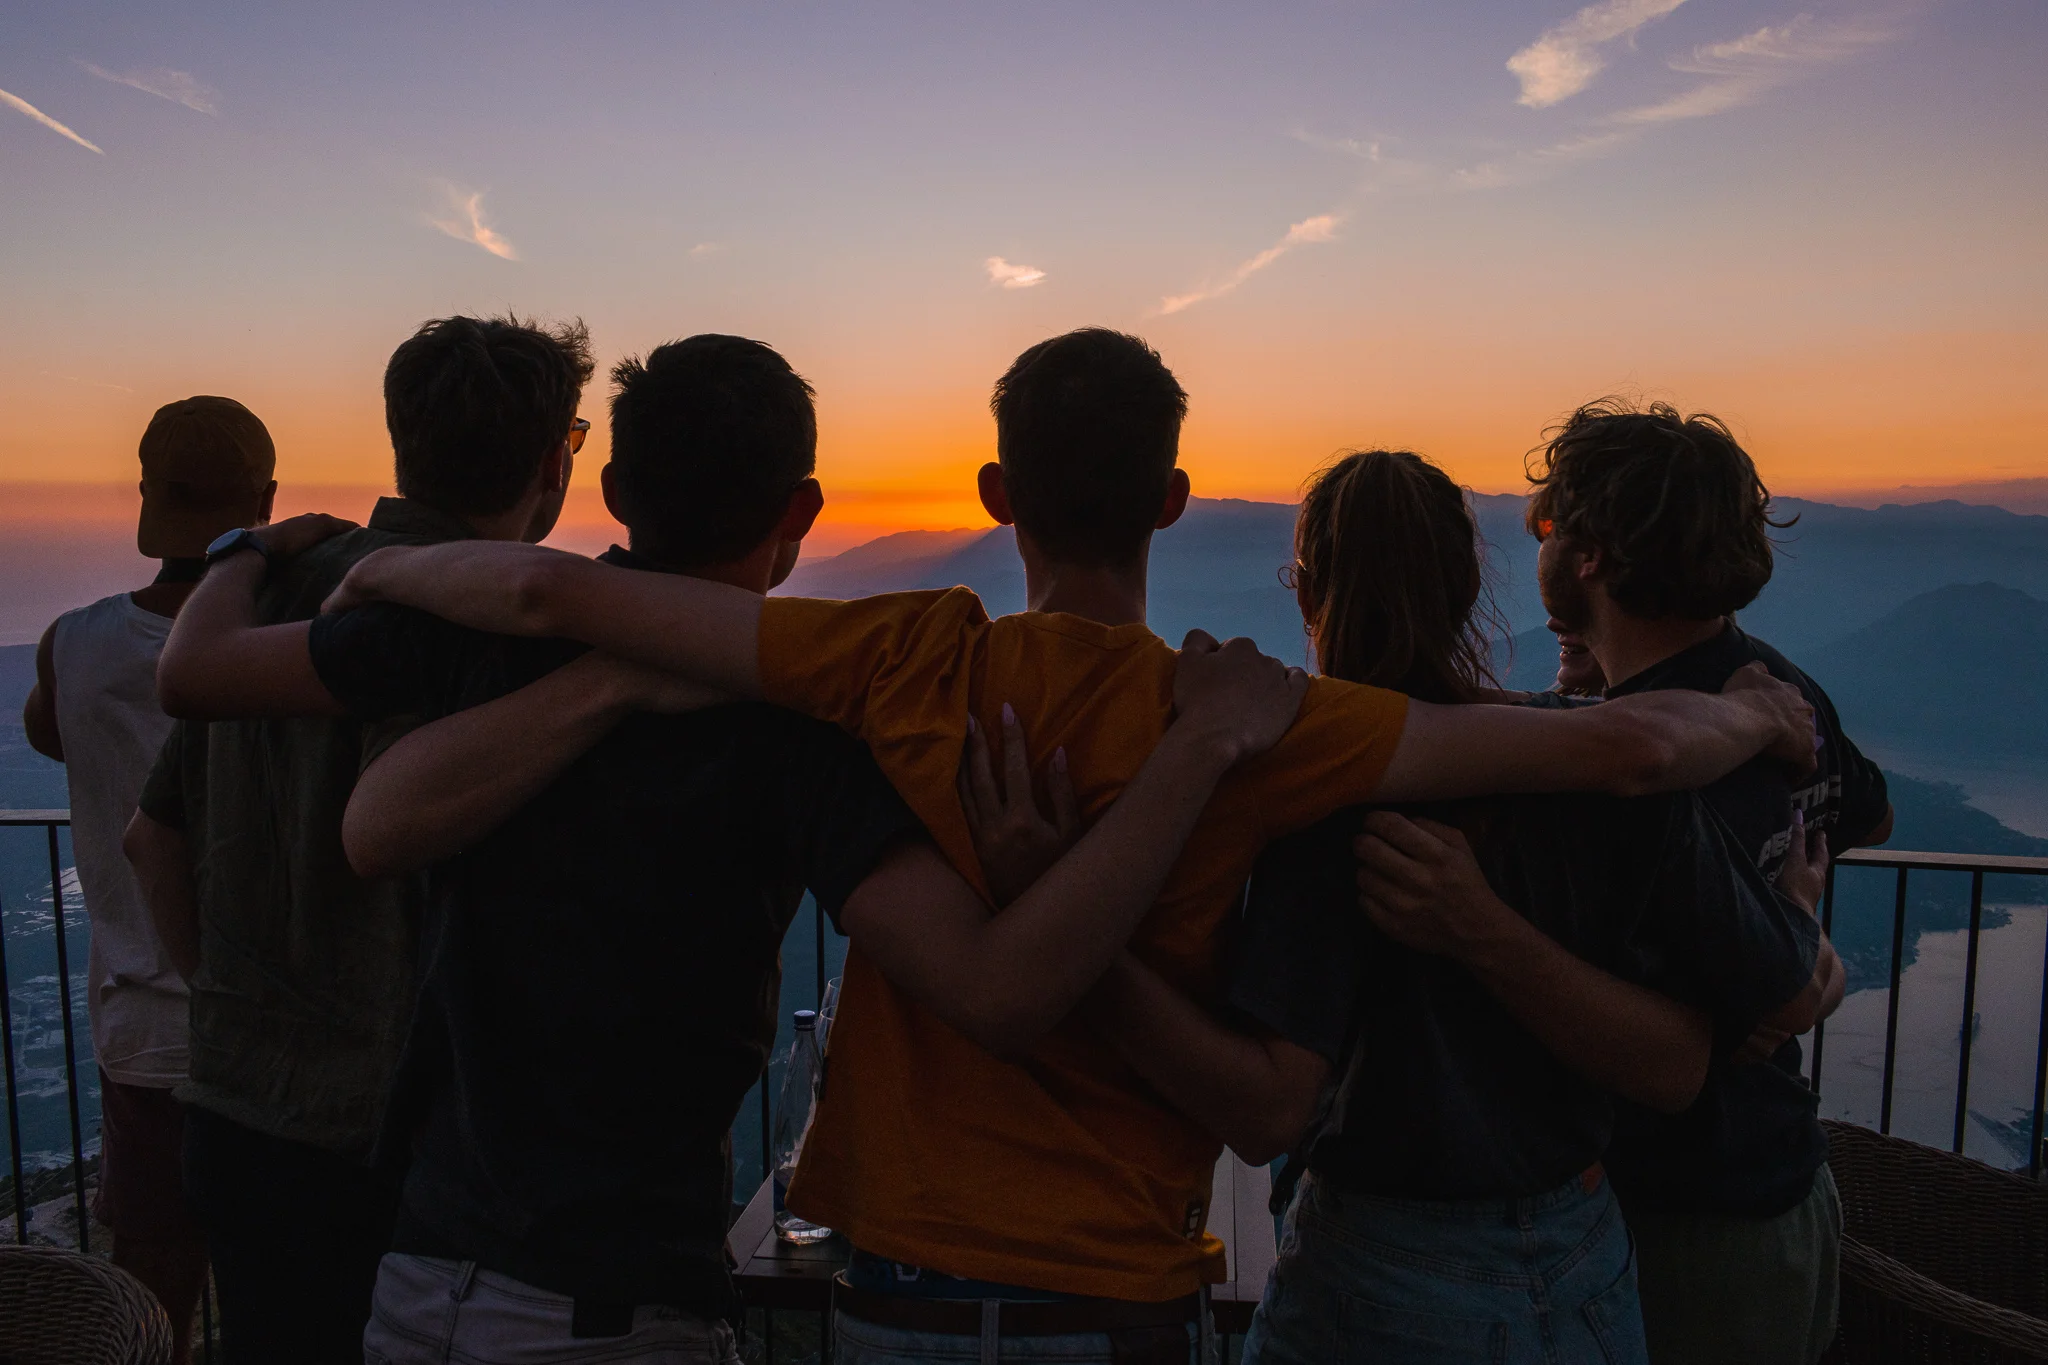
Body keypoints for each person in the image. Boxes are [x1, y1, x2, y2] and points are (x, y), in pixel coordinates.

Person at [321, 328, 1821, 1365]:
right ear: (1173, 499)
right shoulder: (1261, 716)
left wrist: (358, 570)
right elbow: (1614, 745)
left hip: (899, 1287)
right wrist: (1755, 719)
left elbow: (551, 601)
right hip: (1121, 1293)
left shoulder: (894, 660)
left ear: (994, 498)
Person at [156, 333, 1313, 1362]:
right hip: (619, 1300)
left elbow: (220, 695)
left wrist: (246, 552)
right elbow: (995, 989)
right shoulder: (793, 729)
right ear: (801, 515)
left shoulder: (480, 630)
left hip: (419, 1275)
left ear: (610, 489)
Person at [967, 449, 1837, 1364]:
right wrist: (1791, 896)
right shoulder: (1591, 765)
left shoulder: (1313, 807)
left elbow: (1264, 1108)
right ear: (1468, 588)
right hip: (1584, 1263)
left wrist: (1067, 933)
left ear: (1305, 593)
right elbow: (1679, 1066)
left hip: (1376, 1277)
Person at [121, 314, 593, 1364]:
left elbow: (152, 836)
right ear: (551, 459)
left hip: (238, 1110)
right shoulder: (483, 625)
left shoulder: (273, 589)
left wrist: (229, 1001)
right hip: (402, 1138)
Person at [1529, 399, 1893, 1365]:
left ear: (1591, 554)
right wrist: (1797, 916)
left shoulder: (1641, 756)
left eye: (1548, 524)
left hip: (1683, 1223)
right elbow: (1869, 811)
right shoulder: (1776, 688)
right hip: (1780, 1187)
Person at [22, 396, 275, 1362]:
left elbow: (54, 734)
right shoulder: (287, 640)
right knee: (291, 1287)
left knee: (152, 1293)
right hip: (275, 1025)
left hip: (142, 1035)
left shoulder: (69, 643)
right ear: (266, 497)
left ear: (145, 496)